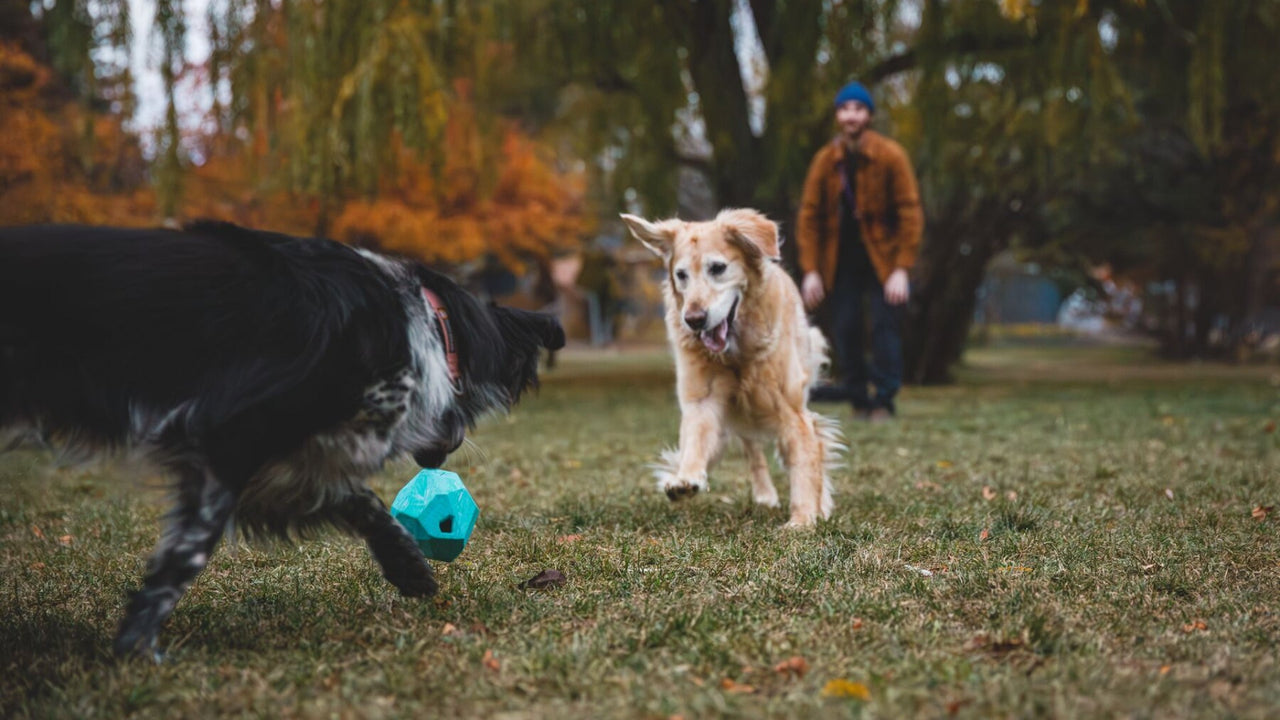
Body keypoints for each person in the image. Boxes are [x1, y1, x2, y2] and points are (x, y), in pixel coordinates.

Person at [796, 80, 923, 421]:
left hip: (883, 259)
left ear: (869, 115)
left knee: (885, 328)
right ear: (838, 115)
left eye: (858, 109)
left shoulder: (891, 156)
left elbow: (909, 212)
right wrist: (811, 270)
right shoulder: (826, 161)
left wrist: (901, 268)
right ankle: (857, 398)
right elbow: (809, 217)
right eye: (845, 109)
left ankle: (883, 400)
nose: (851, 116)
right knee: (846, 329)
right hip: (840, 261)